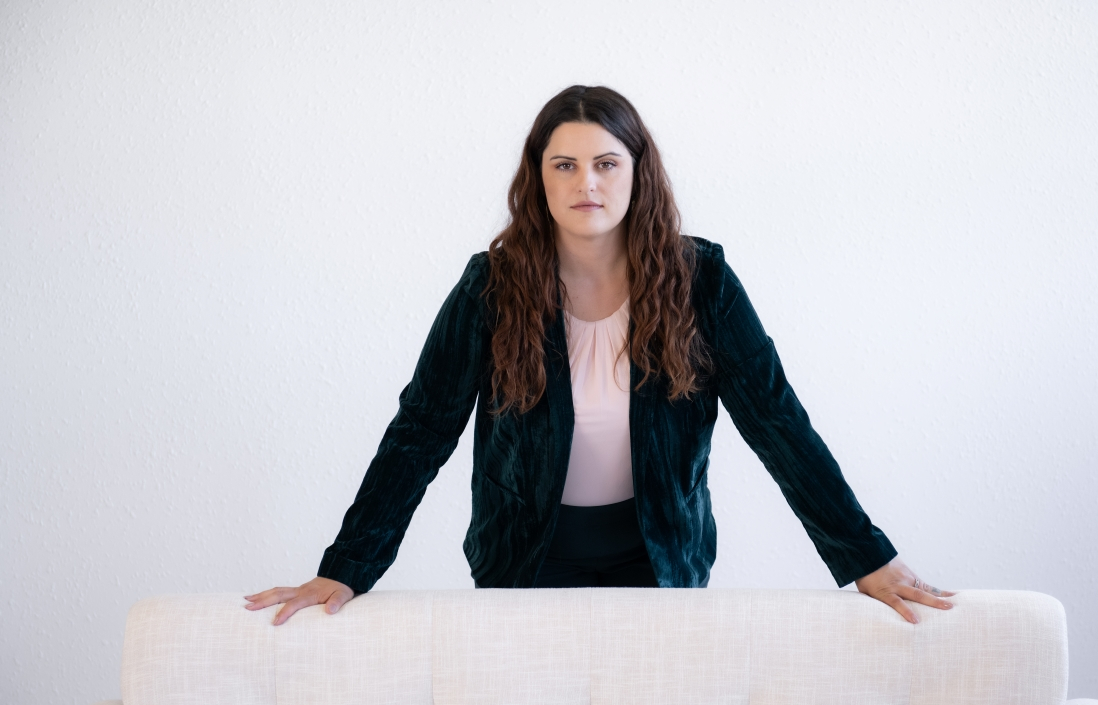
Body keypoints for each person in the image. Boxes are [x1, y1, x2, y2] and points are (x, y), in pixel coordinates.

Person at [246, 85, 954, 626]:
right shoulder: (490, 285)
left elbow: (778, 424)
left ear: (638, 172)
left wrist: (866, 557)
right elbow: (421, 429)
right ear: (541, 178)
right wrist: (347, 568)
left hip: (659, 558)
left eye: (606, 163)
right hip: (525, 559)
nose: (587, 183)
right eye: (566, 165)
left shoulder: (701, 281)